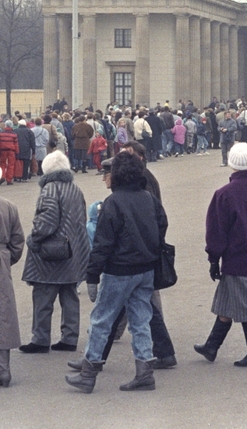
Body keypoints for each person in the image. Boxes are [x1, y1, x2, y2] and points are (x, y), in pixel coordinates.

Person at [66, 152, 168, 393]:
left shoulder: (113, 202)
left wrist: (92, 276)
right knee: (140, 320)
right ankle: (144, 372)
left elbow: (102, 244)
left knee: (101, 319)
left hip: (119, 270)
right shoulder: (149, 198)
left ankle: (88, 373)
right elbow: (162, 226)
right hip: (146, 269)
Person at [195, 143, 247, 368]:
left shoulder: (223, 194)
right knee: (227, 302)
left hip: (235, 256)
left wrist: (213, 259)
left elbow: (216, 231)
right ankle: (212, 346)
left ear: (231, 162)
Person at [19, 150, 90, 354]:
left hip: (51, 254)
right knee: (69, 295)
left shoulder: (50, 189)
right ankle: (69, 338)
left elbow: (46, 221)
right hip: (72, 251)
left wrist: (34, 239)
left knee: (43, 295)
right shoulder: (75, 189)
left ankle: (40, 339)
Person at [0, 170, 24, 386]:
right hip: (1, 257)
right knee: (3, 311)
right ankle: (4, 369)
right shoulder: (8, 206)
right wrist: (7, 260)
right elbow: (18, 240)